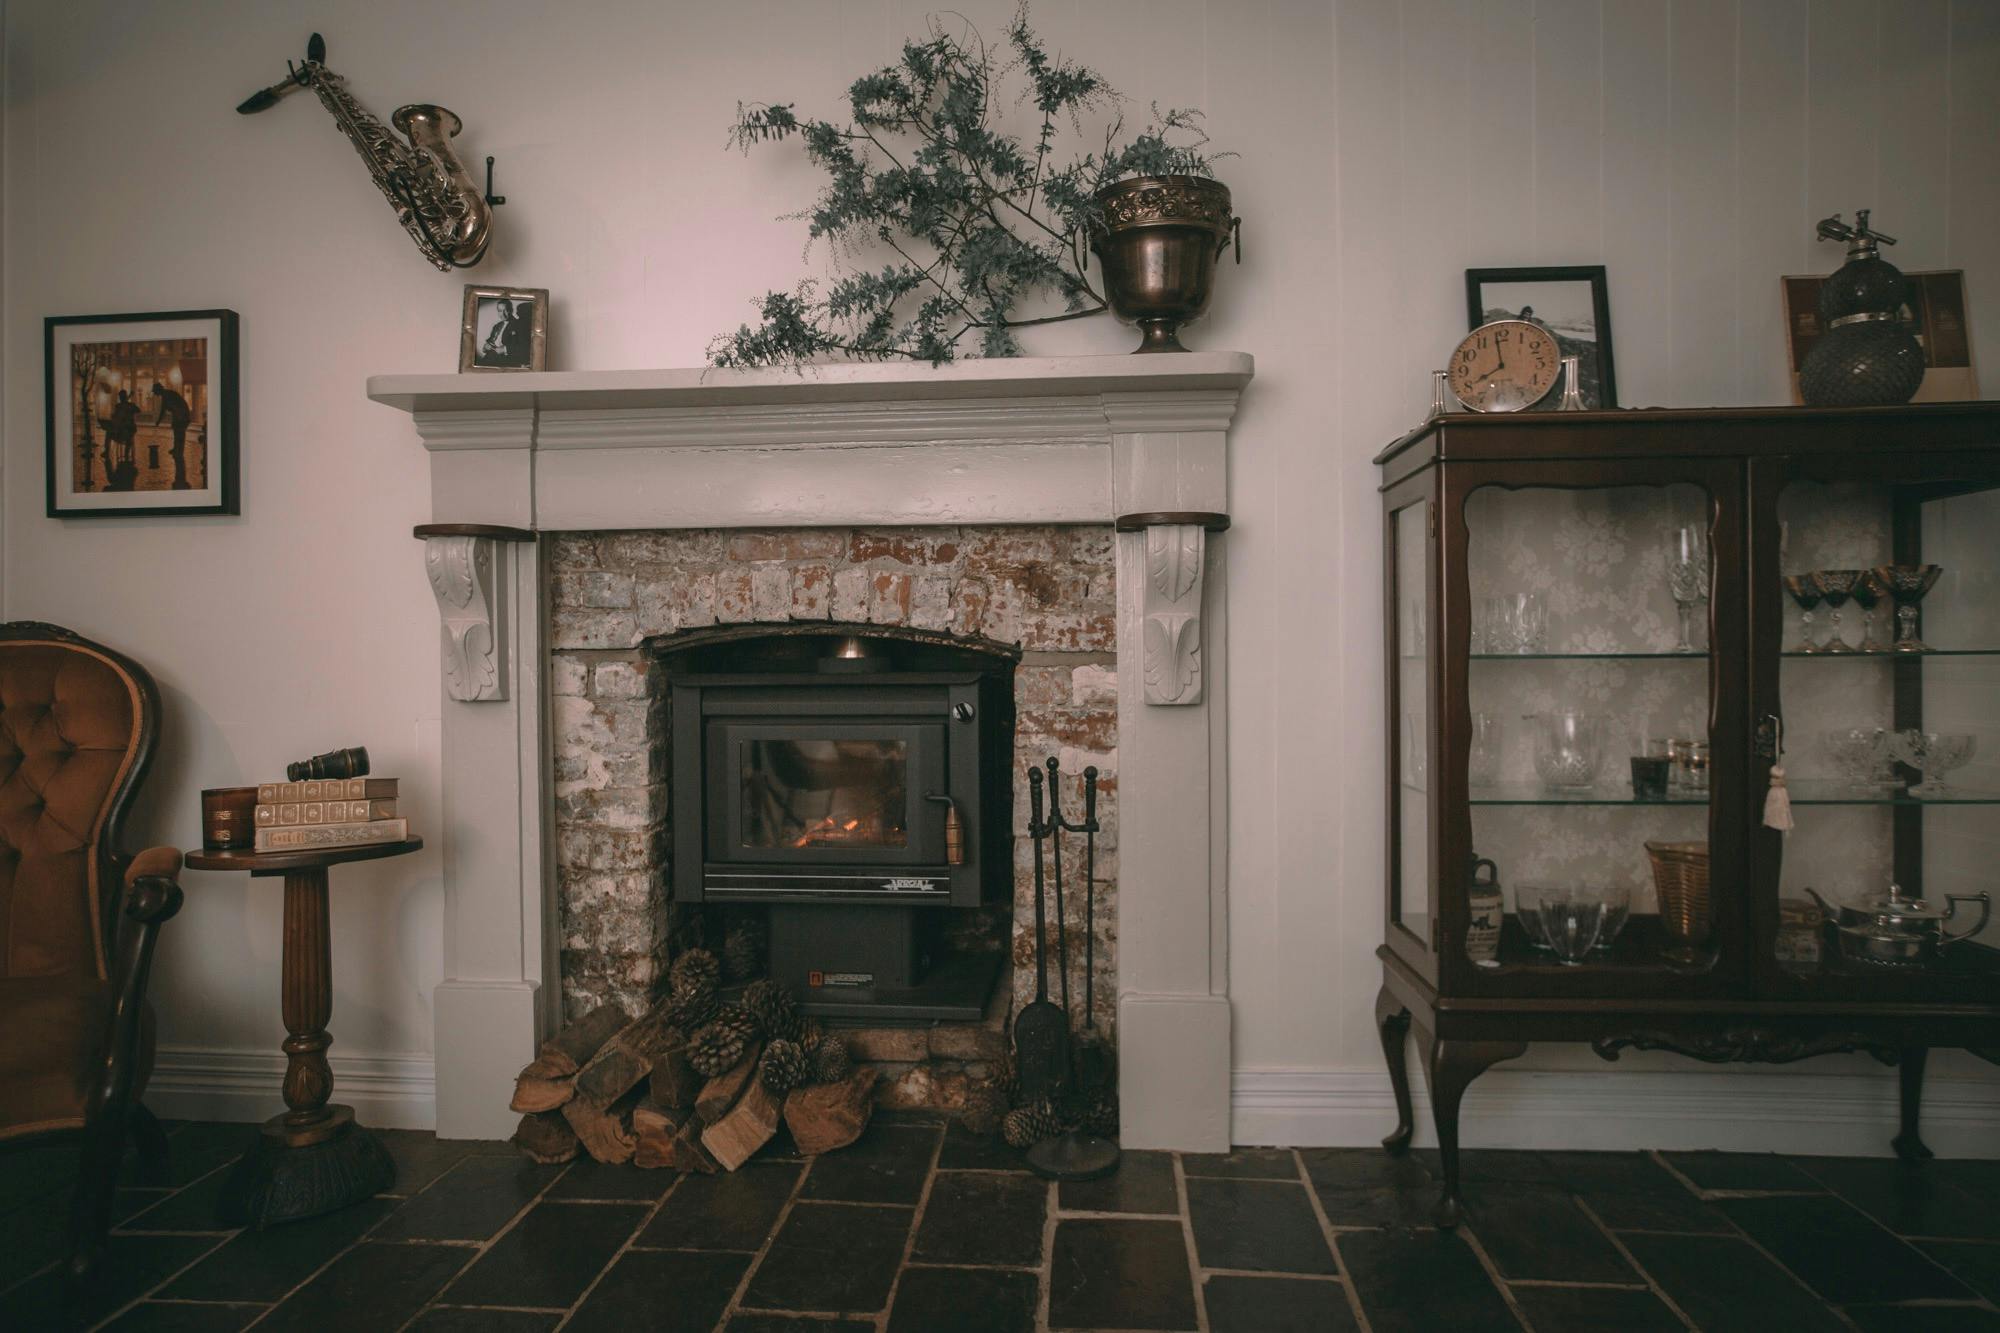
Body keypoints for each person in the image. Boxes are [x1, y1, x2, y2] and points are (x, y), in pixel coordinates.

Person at [150, 382, 193, 490]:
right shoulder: (166, 395)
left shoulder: (167, 395)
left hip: (182, 415)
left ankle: (179, 451)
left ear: (158, 390)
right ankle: (176, 449)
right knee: (176, 430)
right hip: (179, 415)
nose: (155, 394)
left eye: (155, 392)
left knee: (180, 433)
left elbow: (166, 409)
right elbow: (164, 410)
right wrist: (159, 421)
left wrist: (159, 421)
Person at [480, 298, 516, 366]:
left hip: (504, 360)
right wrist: (485, 347)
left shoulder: (518, 324)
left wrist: (504, 349)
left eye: (505, 310)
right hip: (490, 357)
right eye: (500, 311)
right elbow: (490, 342)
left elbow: (521, 346)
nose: (502, 314)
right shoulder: (497, 326)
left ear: (511, 310)